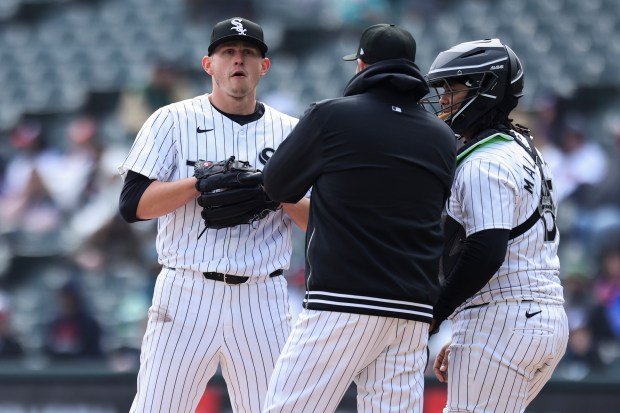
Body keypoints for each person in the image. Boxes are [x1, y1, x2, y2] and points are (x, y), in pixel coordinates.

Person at [261, 23, 456, 413]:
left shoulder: (331, 116)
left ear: (362, 66)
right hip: (412, 309)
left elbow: (275, 185)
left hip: (343, 298)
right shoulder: (442, 136)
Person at [118, 17, 307, 413]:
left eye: (248, 53)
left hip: (263, 297)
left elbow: (318, 220)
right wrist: (199, 183)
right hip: (187, 291)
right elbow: (133, 205)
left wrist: (274, 188)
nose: (237, 60)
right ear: (209, 64)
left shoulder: (291, 132)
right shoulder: (171, 120)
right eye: (227, 52)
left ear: (263, 66)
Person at [421, 39, 569, 412]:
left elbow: (486, 250)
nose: (443, 100)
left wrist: (436, 314)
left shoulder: (484, 161)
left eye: (452, 89)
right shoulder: (523, 148)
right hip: (536, 316)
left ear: (485, 89)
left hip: (504, 320)